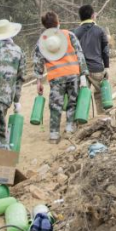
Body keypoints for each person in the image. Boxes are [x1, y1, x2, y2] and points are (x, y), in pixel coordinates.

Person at [35, 13, 87, 143]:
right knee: (72, 102)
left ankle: (54, 134)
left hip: (55, 76)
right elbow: (79, 54)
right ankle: (69, 128)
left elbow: (38, 61)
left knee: (55, 105)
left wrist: (39, 81)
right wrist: (83, 74)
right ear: (58, 22)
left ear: (44, 25)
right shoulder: (69, 35)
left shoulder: (43, 40)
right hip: (72, 73)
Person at [73, 5, 111, 104]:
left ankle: (80, 118)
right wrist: (107, 67)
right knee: (101, 96)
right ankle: (103, 118)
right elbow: (105, 51)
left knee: (81, 98)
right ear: (93, 15)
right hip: (97, 69)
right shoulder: (100, 30)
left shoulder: (74, 33)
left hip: (80, 71)